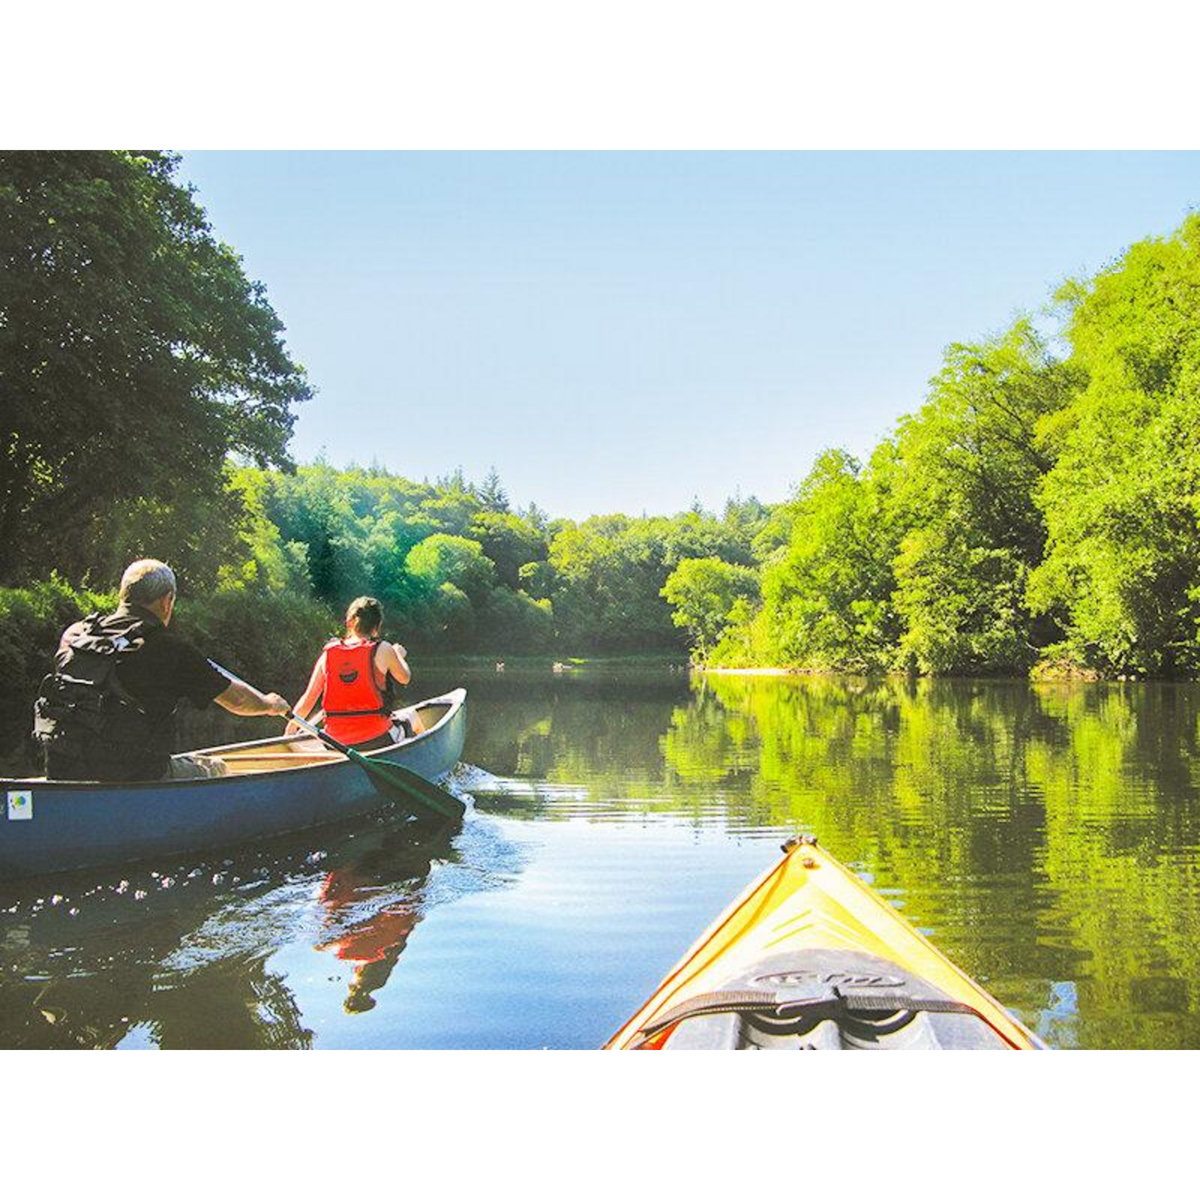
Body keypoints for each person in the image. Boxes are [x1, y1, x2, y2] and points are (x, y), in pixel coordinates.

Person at [33, 559, 291, 782]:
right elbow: (238, 700)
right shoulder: (169, 648)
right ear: (167, 601)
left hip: (62, 769)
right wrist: (269, 704)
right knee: (216, 768)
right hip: (135, 775)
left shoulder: (77, 635)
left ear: (123, 595)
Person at [287, 596, 423, 749]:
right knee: (414, 717)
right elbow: (405, 678)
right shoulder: (384, 649)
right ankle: (423, 761)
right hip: (378, 739)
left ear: (349, 623)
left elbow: (307, 700)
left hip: (335, 744)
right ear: (377, 626)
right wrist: (398, 655)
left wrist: (289, 733)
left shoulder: (328, 654)